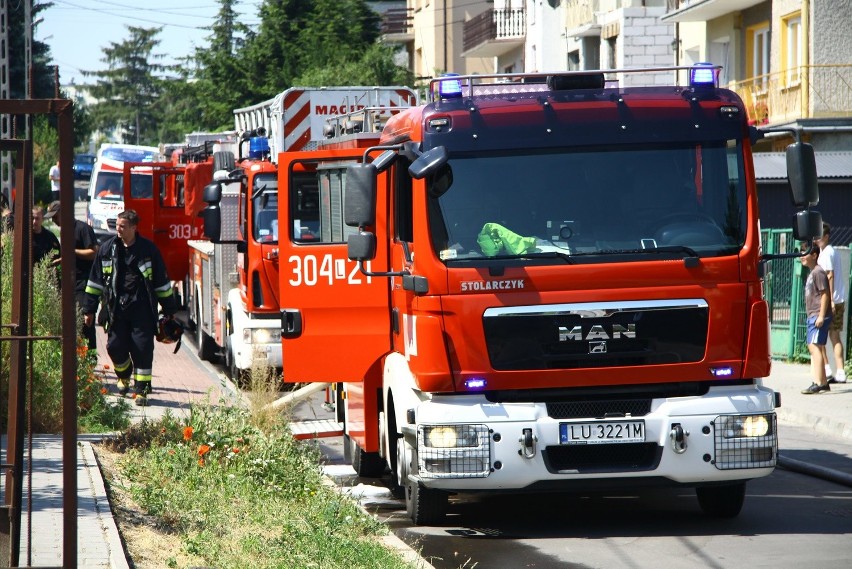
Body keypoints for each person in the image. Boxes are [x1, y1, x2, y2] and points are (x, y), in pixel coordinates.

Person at [82, 209, 178, 406]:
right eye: (117, 225)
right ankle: (124, 374)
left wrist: (169, 310)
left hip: (142, 309)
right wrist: (89, 309)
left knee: (142, 348)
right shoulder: (107, 249)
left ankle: (142, 390)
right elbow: (95, 282)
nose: (118, 229)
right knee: (114, 347)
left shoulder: (148, 251)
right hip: (116, 309)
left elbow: (161, 282)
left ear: (134, 228)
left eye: (123, 226)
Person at [44, 200, 99, 351]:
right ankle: (77, 355)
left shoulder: (82, 228)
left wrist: (72, 251)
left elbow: (94, 253)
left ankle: (90, 357)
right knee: (70, 322)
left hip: (84, 282)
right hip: (70, 283)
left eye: (55, 217)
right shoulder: (64, 231)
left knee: (84, 321)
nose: (54, 221)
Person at [816, 222, 847, 384]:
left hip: (830, 300)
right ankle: (839, 371)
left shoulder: (826, 253)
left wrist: (831, 300)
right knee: (835, 336)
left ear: (826, 237)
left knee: (820, 337)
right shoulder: (830, 251)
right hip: (838, 299)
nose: (816, 239)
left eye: (819, 236)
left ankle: (828, 370)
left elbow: (829, 276)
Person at [800, 243, 832, 394]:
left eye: (805, 253)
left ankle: (817, 383)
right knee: (816, 347)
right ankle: (823, 382)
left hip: (817, 315)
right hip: (813, 314)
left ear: (814, 255)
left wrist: (820, 316)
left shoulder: (818, 272)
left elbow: (825, 293)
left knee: (813, 347)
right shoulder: (812, 272)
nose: (801, 256)